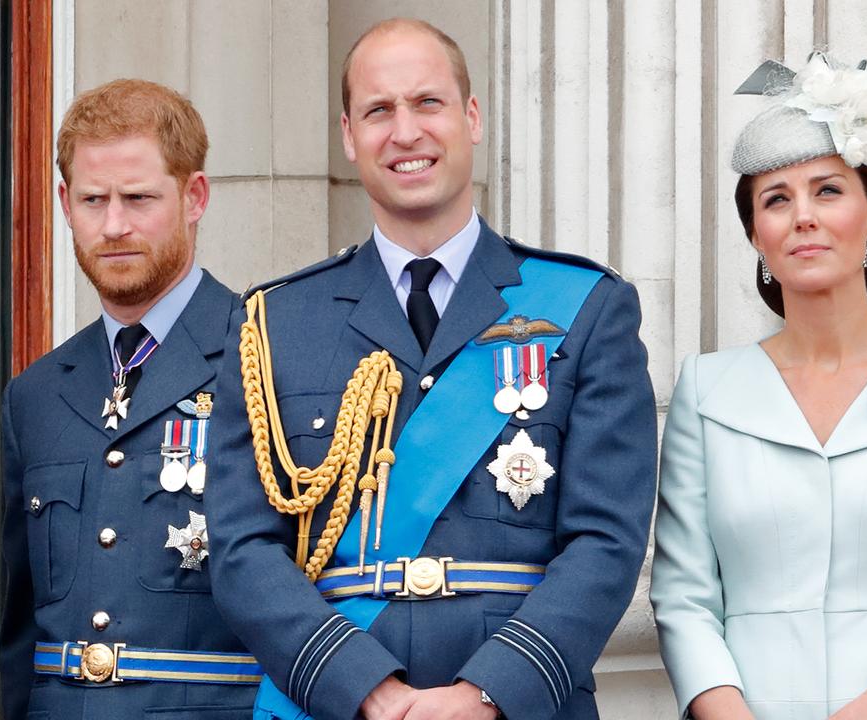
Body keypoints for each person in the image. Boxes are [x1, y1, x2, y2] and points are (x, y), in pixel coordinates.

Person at [205, 18, 656, 720]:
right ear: (349, 135)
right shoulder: (273, 323)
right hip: (339, 704)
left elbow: (605, 542)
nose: (405, 131)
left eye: (428, 103)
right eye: (379, 110)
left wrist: (487, 694)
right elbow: (240, 551)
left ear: (471, 119)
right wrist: (366, 690)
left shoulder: (587, 307)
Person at [651, 52, 867, 720]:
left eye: (828, 190)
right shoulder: (706, 391)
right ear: (757, 236)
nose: (803, 217)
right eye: (777, 200)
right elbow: (684, 596)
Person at [0, 79, 259, 720]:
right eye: (92, 200)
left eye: (138, 198)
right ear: (64, 202)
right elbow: (19, 635)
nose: (113, 225)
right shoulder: (35, 394)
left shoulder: (267, 357)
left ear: (194, 197)